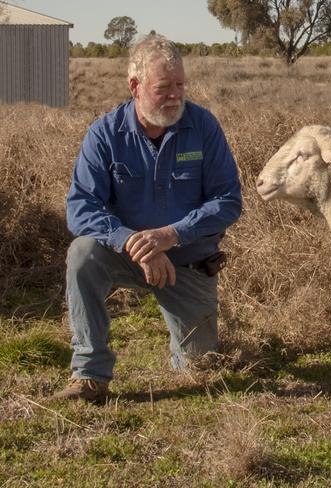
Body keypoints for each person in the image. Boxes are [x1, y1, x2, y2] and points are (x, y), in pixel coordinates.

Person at [53, 35, 242, 401]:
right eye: (164, 87)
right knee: (83, 253)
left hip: (188, 262)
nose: (175, 96)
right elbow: (81, 207)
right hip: (126, 255)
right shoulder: (105, 134)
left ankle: (187, 351)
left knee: (198, 368)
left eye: (180, 85)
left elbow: (228, 200)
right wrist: (130, 240)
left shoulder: (203, 127)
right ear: (135, 86)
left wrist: (172, 235)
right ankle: (90, 375)